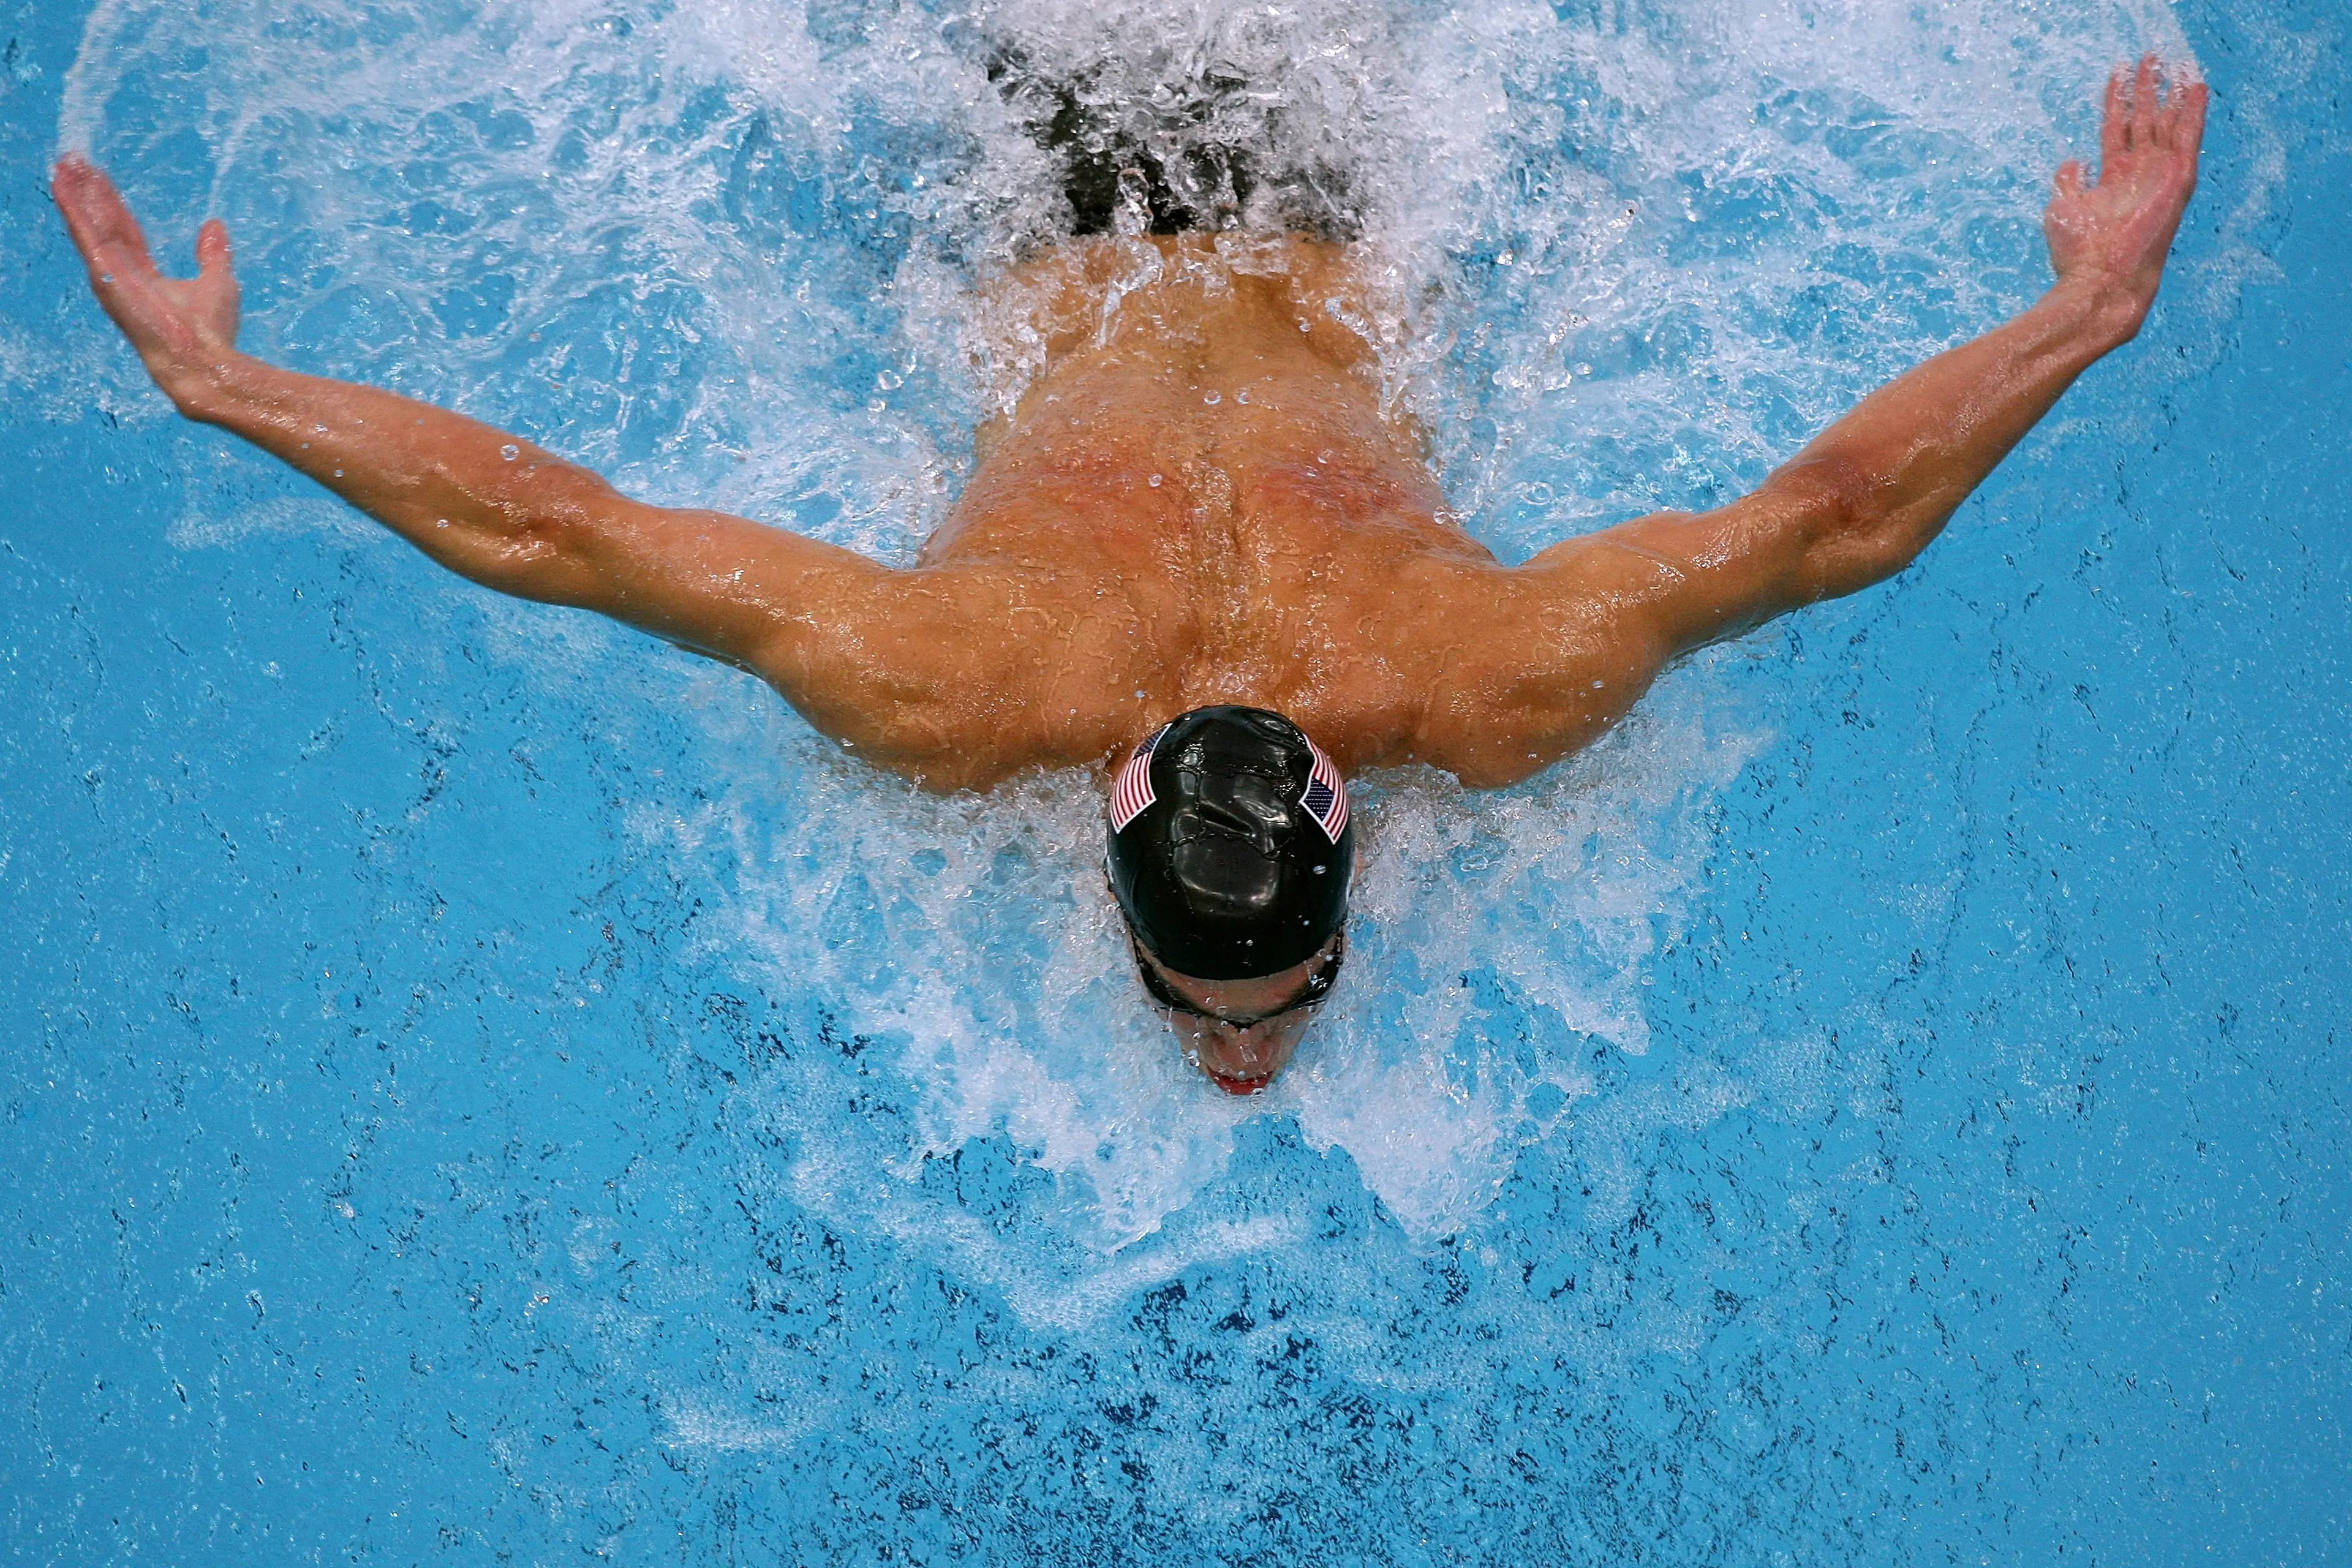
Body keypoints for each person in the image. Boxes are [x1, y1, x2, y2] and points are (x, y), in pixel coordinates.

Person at [51, 59, 2207, 1095]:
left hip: (1292, 165)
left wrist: (2084, 317)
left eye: (1230, 1006)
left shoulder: (1451, 680)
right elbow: (561, 529)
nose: (1242, 1061)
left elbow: (1836, 523)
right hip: (1077, 177)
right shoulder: (973, 696)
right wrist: (224, 389)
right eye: (1264, 1001)